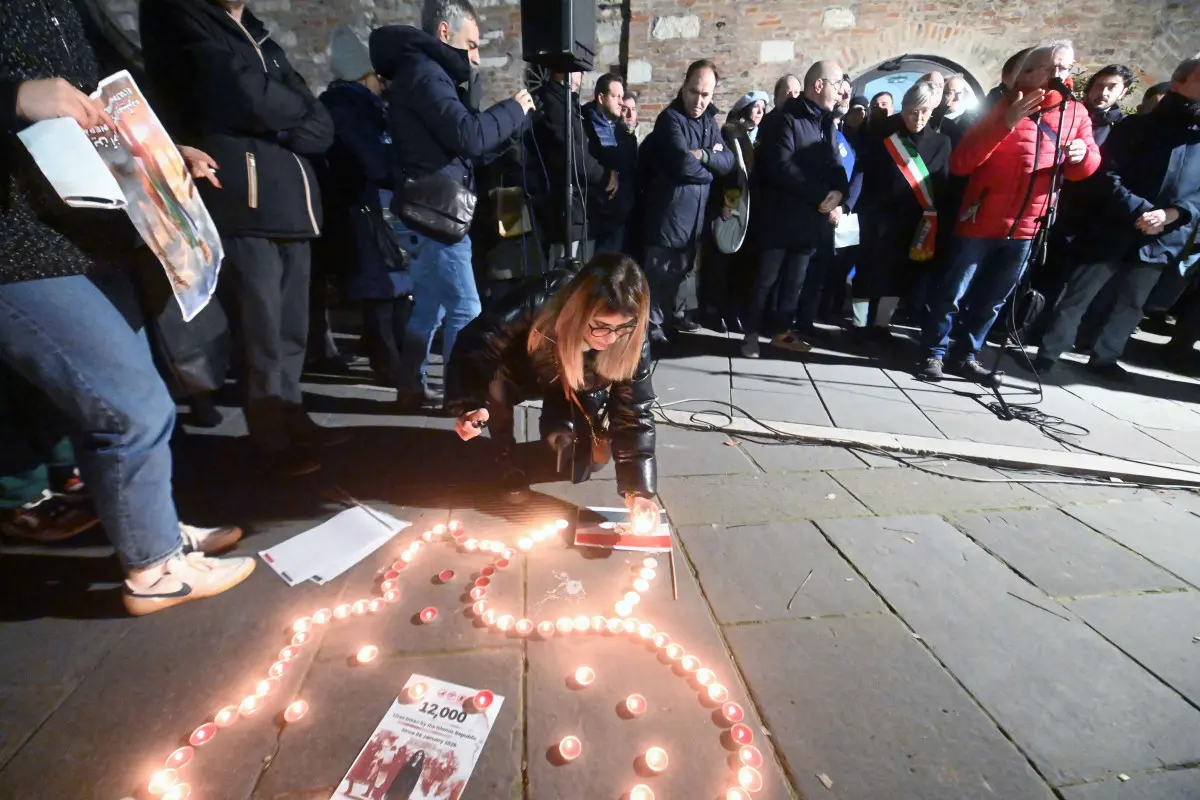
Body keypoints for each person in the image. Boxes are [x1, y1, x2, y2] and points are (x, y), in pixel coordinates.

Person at [2, 0, 253, 614]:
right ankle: (154, 570)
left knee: (129, 403)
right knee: (129, 405)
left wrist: (166, 153)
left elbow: (108, 108)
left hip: (90, 231)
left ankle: (155, 533)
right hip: (19, 245)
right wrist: (14, 97)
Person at [141, 0, 343, 476]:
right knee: (262, 333)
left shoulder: (257, 32)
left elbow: (321, 126)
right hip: (245, 202)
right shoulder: (182, 16)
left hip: (293, 206)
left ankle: (292, 414)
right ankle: (270, 438)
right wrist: (289, 112)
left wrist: (281, 114)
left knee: (293, 329)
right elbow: (239, 93)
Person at [369, 0, 535, 412]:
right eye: (472, 44)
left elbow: (463, 146)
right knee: (467, 307)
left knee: (429, 305)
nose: (476, 55)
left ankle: (410, 386)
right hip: (438, 214)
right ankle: (462, 398)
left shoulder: (423, 73)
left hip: (428, 207)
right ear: (445, 33)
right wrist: (515, 108)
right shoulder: (425, 75)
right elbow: (468, 136)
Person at [918, 44, 1101, 382]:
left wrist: (1081, 155)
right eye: (1051, 67)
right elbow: (962, 162)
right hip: (981, 219)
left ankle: (967, 354)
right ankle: (934, 351)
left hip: (1028, 226)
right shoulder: (1000, 106)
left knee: (994, 300)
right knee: (954, 292)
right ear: (1029, 72)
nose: (1060, 75)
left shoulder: (1075, 114)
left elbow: (1087, 165)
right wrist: (1005, 123)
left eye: (1065, 67)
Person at [445, 254, 660, 529]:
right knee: (495, 387)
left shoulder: (631, 340)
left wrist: (638, 491)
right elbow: (478, 344)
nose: (609, 338)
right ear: (579, 310)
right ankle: (504, 455)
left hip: (579, 385)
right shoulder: (541, 300)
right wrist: (470, 403)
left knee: (586, 461)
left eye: (623, 327)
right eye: (601, 326)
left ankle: (548, 439)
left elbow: (634, 411)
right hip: (522, 371)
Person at [1028, 58, 1200, 381]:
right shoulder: (1135, 128)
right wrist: (1139, 210)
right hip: (1116, 226)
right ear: (1178, 82)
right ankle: (1051, 351)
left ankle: (1106, 356)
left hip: (1164, 233)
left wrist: (1171, 214)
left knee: (1132, 303)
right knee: (1080, 294)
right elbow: (1107, 174)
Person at [314, 26, 412, 389]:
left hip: (369, 211)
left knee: (391, 289)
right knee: (382, 291)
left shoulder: (351, 106)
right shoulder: (350, 109)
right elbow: (375, 161)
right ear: (364, 74)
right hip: (367, 212)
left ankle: (394, 363)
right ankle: (391, 366)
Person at [741, 61, 849, 358]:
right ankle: (750, 333)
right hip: (779, 218)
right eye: (837, 84)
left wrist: (841, 193)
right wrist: (821, 196)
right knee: (765, 280)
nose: (841, 91)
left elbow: (836, 163)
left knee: (795, 282)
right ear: (819, 85)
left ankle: (781, 332)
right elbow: (781, 166)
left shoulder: (826, 121)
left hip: (809, 221)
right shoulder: (784, 118)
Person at [640, 59, 734, 343]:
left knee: (679, 274)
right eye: (694, 92)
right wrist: (710, 168)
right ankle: (649, 329)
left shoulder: (709, 123)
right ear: (684, 87)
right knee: (657, 276)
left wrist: (703, 155)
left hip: (694, 219)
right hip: (668, 216)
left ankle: (665, 321)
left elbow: (728, 161)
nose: (699, 100)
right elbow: (682, 165)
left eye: (706, 94)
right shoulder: (670, 120)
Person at [850, 81, 952, 342]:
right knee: (868, 270)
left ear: (932, 112)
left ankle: (882, 325)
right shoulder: (887, 141)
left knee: (898, 274)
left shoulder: (942, 143)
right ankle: (859, 324)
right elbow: (869, 178)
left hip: (914, 223)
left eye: (924, 111)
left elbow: (941, 184)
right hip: (880, 218)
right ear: (904, 110)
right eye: (912, 111)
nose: (918, 117)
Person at [702, 90, 767, 332]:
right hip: (733, 205)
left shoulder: (763, 137)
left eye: (763, 107)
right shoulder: (731, 134)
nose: (760, 111)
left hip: (753, 209)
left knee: (743, 265)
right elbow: (727, 172)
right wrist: (726, 201)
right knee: (722, 263)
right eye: (756, 106)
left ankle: (732, 312)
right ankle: (713, 311)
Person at [532, 70, 606, 264]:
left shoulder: (568, 103)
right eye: (578, 71)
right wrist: (604, 175)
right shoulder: (552, 102)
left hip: (578, 209)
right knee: (564, 281)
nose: (581, 76)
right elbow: (571, 155)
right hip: (561, 210)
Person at [583, 73, 639, 255]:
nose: (621, 102)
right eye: (617, 97)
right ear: (601, 97)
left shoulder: (624, 133)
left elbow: (631, 171)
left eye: (622, 97)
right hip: (589, 218)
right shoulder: (582, 126)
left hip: (618, 218)